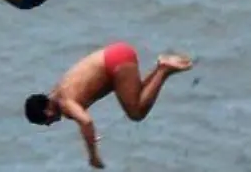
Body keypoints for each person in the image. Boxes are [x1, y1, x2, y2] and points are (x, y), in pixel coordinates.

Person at [23, 42, 193, 169]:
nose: (49, 123)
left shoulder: (64, 102)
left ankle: (164, 70)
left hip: (114, 62)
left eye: (45, 121)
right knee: (136, 99)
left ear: (47, 110)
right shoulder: (58, 91)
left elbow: (86, 122)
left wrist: (93, 156)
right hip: (116, 56)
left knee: (136, 113)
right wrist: (90, 135)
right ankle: (160, 67)